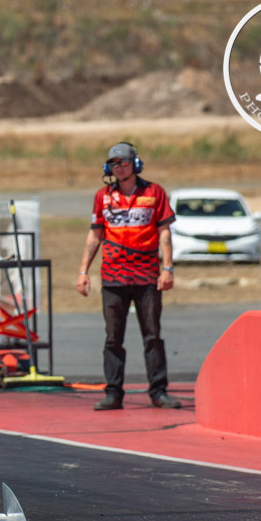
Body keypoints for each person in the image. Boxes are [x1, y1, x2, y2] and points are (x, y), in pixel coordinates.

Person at [75, 142, 182, 411]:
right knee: (113, 337)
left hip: (147, 277)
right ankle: (113, 393)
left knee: (152, 335)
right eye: (114, 163)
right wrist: (83, 271)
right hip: (113, 277)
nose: (119, 167)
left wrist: (167, 268)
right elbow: (95, 234)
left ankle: (158, 392)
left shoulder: (154, 192)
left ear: (135, 164)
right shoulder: (102, 196)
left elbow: (164, 232)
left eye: (124, 162)